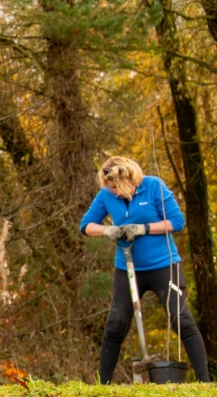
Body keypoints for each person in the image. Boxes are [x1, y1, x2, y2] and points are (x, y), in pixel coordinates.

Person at [80, 156, 210, 383]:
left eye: (117, 187)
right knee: (115, 324)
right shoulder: (106, 195)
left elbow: (177, 222)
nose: (115, 193)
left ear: (129, 179)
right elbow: (86, 225)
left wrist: (144, 228)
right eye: (111, 188)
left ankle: (205, 381)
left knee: (181, 320)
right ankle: (104, 386)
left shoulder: (153, 187)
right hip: (128, 269)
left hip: (164, 265)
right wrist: (107, 230)